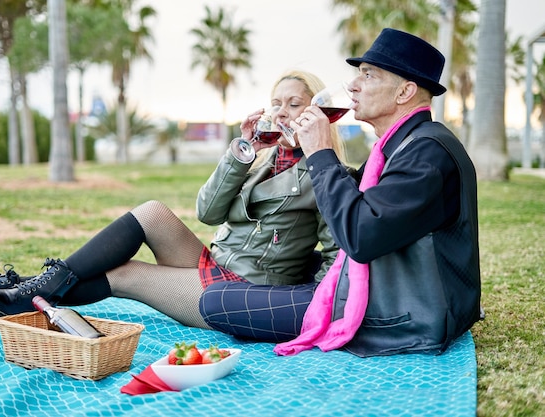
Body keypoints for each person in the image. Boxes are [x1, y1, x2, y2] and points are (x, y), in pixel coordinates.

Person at [0, 70, 344, 334]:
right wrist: (241, 151)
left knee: (126, 273)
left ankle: (8, 293)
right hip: (216, 263)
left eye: (295, 104)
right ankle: (13, 292)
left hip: (245, 290)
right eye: (277, 103)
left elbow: (338, 252)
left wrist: (303, 313)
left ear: (317, 114)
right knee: (152, 211)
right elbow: (208, 212)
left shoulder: (326, 171)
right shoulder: (260, 158)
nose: (283, 112)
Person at [200, 28, 482, 357]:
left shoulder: (425, 153)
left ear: (404, 92)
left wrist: (320, 153)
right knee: (302, 266)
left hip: (404, 314)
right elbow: (359, 216)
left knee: (216, 300)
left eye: (368, 75)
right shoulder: (405, 144)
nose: (352, 85)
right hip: (391, 289)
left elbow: (359, 237)